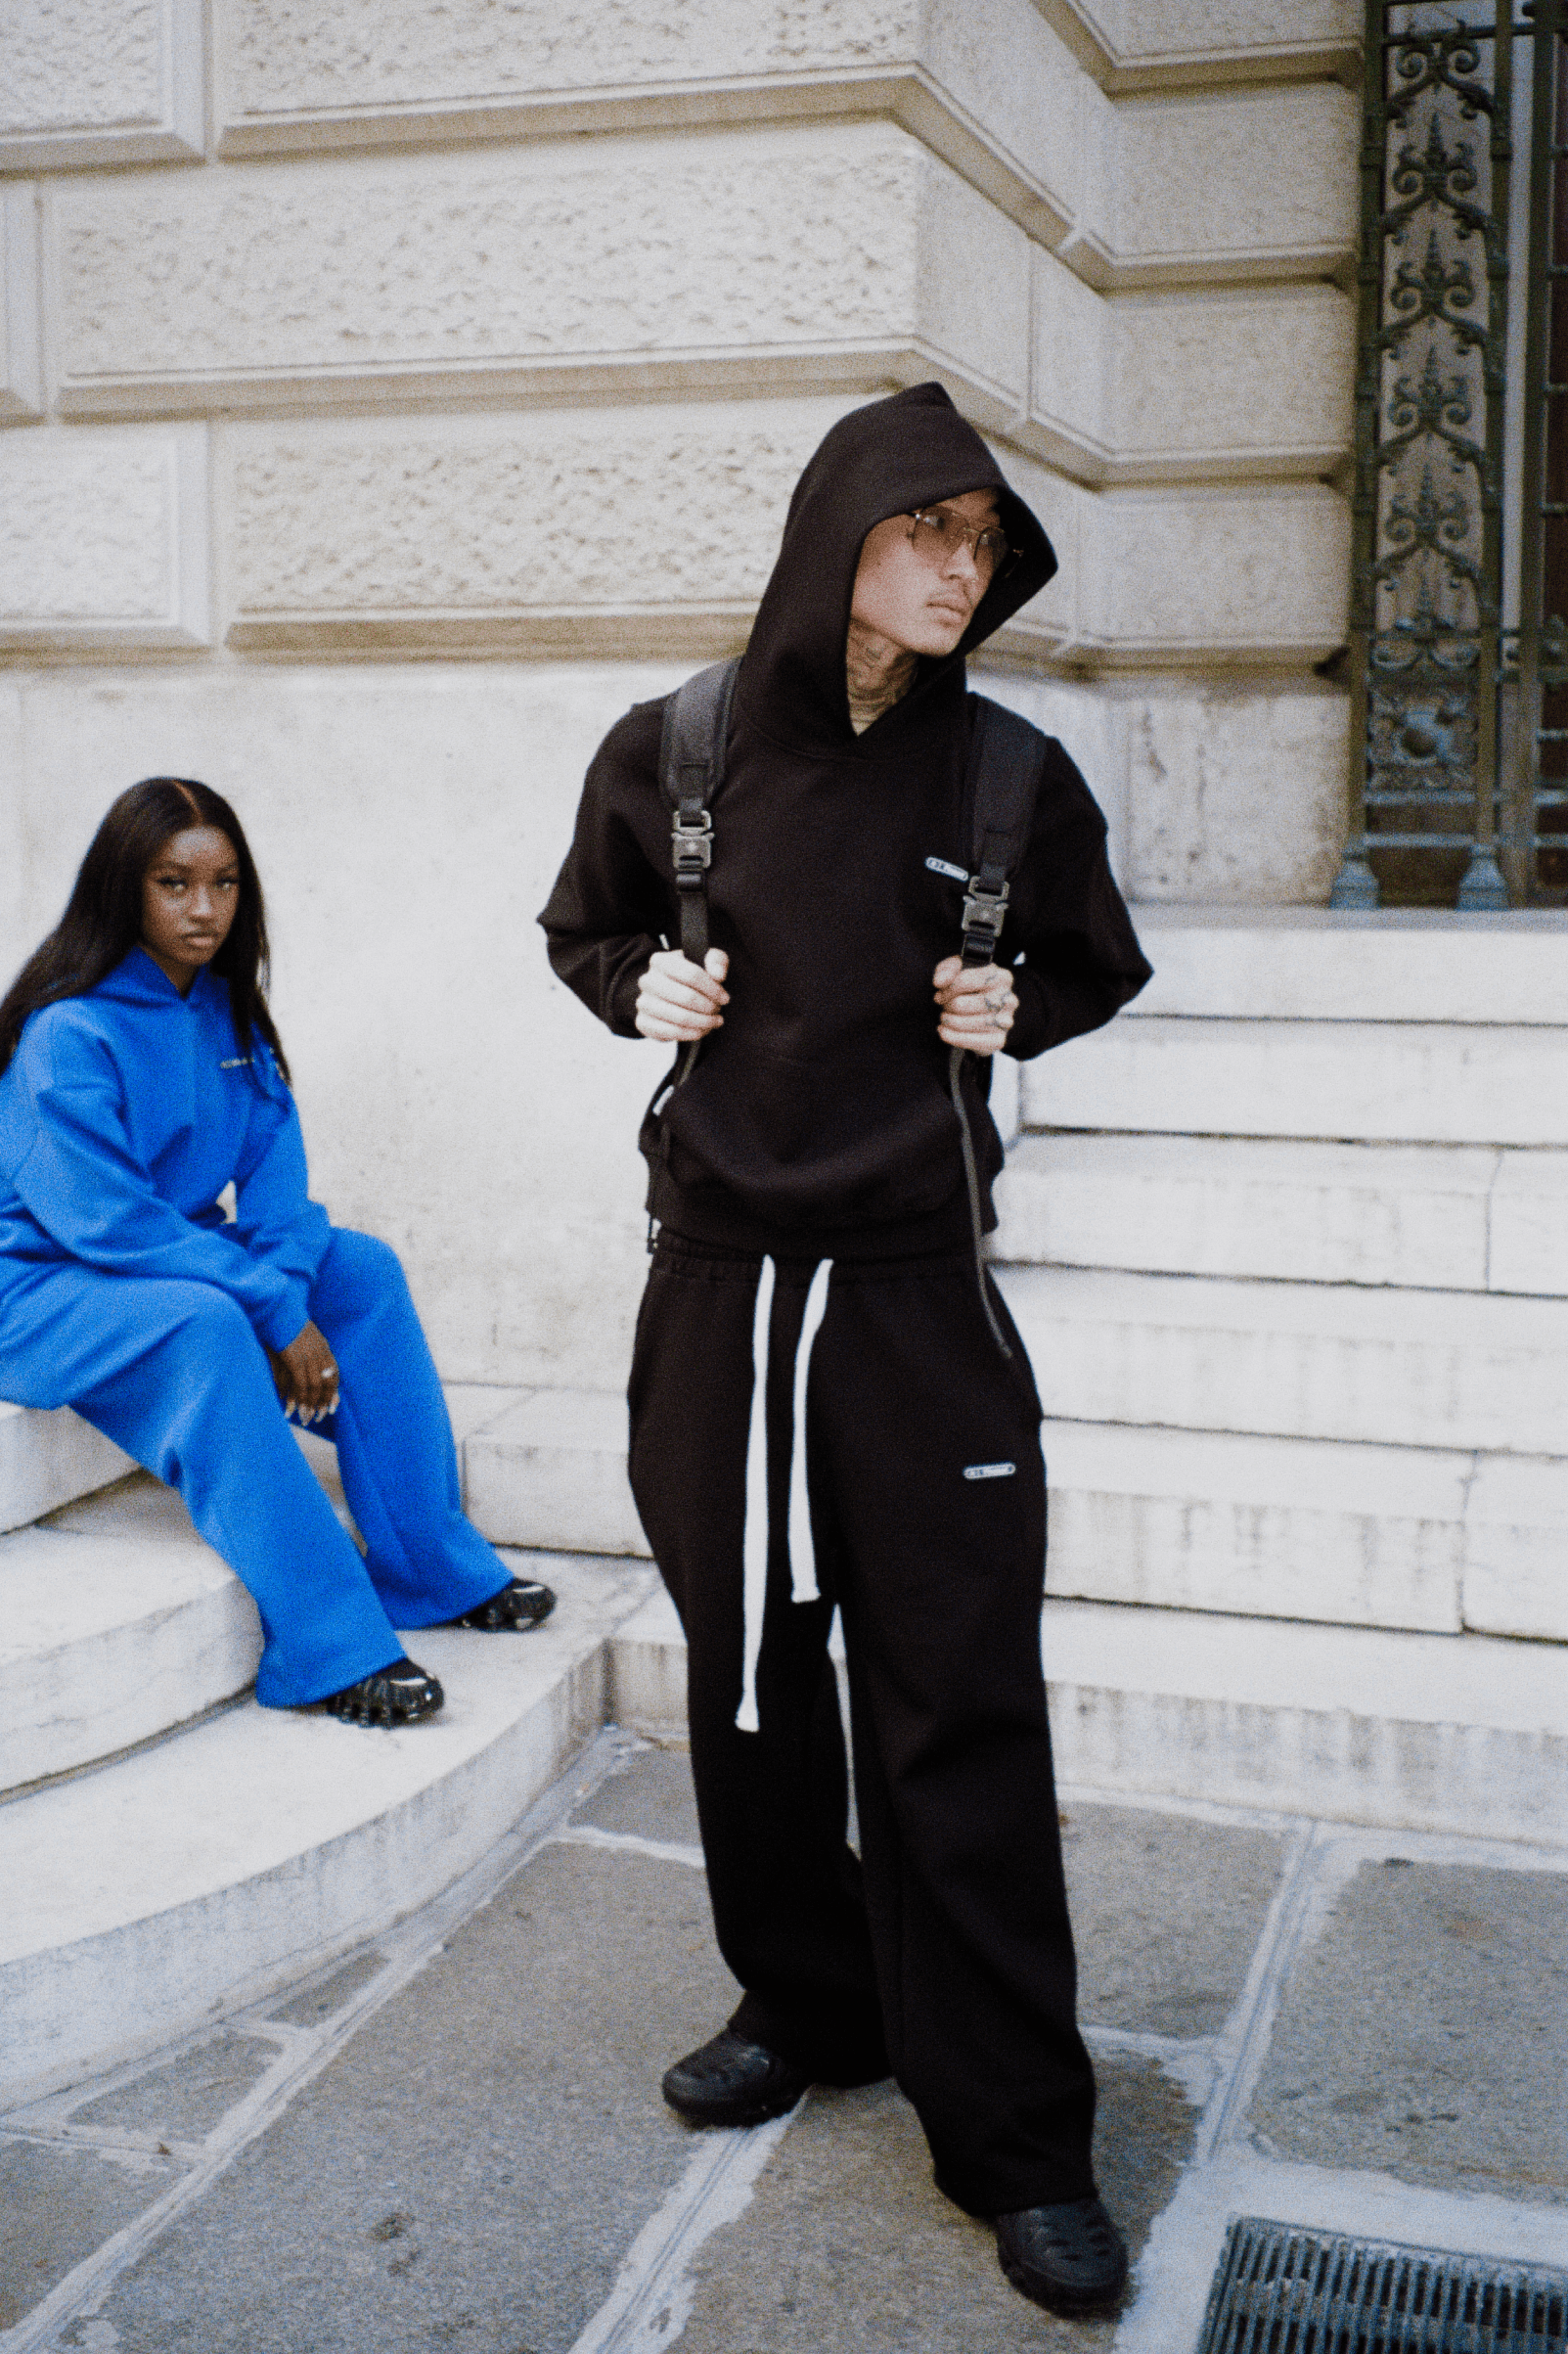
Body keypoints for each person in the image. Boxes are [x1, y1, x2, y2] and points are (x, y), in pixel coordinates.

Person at [538, 384, 1152, 2322]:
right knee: (742, 1680)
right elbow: (585, 929)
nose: (958, 569)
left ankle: (1018, 2141)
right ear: (839, 535)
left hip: (912, 1295)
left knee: (952, 1700)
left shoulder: (1009, 781)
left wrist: (1010, 999)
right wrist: (634, 979)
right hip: (715, 1282)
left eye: (981, 543)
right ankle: (803, 1999)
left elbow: (1092, 965)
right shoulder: (677, 746)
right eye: (927, 531)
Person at [0, 776, 553, 1728]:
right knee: (212, 1321)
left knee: (365, 1273)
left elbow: (279, 1193)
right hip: (37, 1291)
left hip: (169, 1262)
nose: (203, 910)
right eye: (173, 884)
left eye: (223, 885)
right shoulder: (71, 1030)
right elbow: (108, 1224)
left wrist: (291, 1297)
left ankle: (428, 1565)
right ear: (123, 889)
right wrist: (266, 1308)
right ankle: (327, 1645)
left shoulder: (229, 1016)